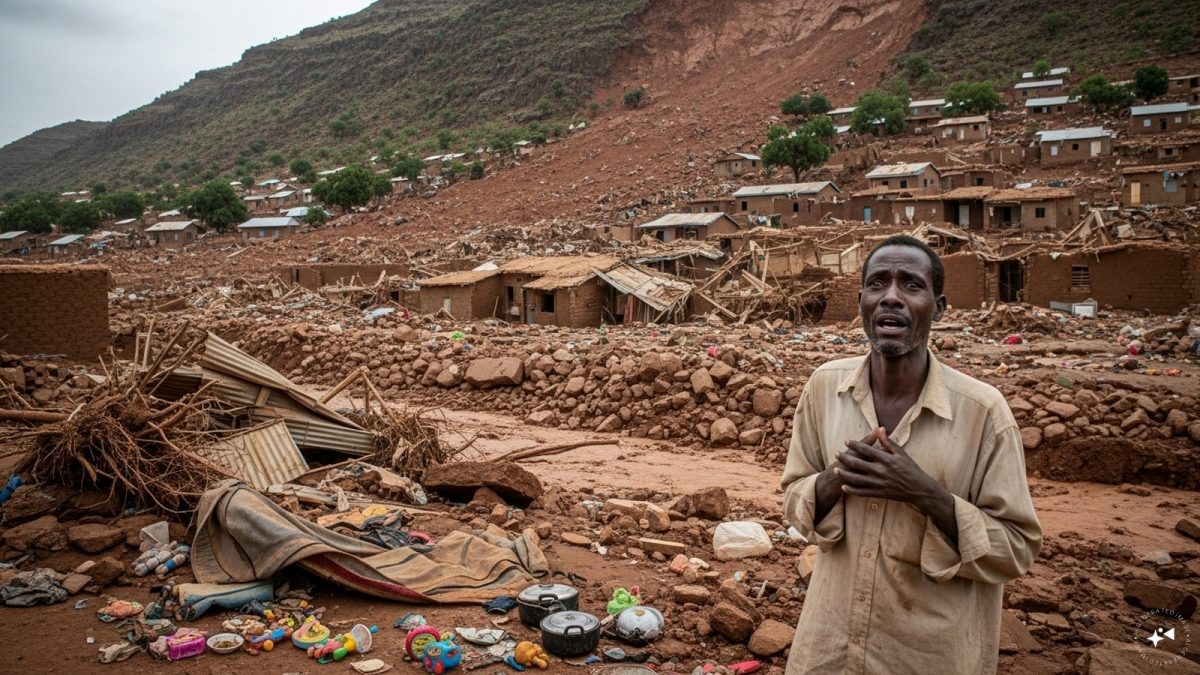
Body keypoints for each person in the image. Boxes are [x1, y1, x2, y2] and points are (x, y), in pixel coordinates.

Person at [781, 235, 1042, 674]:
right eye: (878, 283)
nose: (892, 298)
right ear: (862, 298)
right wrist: (833, 480)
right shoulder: (825, 388)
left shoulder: (982, 412)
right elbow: (792, 498)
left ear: (938, 307)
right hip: (830, 651)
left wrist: (925, 494)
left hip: (926, 657)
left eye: (912, 286)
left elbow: (1017, 548)